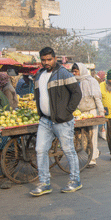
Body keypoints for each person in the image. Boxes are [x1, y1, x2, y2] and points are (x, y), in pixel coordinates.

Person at [30, 47, 83, 196]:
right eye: (43, 60)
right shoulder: (39, 75)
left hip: (62, 121)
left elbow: (77, 93)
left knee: (68, 150)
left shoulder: (64, 73)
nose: (46, 62)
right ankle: (45, 183)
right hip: (45, 121)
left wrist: (66, 112)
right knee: (40, 150)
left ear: (55, 58)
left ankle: (75, 180)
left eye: (49, 59)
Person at [72, 63, 104, 167]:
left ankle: (92, 159)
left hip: (91, 112)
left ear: (81, 71)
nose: (74, 73)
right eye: (73, 71)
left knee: (93, 135)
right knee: (83, 137)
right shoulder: (76, 82)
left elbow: (97, 98)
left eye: (76, 71)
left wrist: (101, 112)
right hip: (80, 113)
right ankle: (94, 152)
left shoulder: (92, 81)